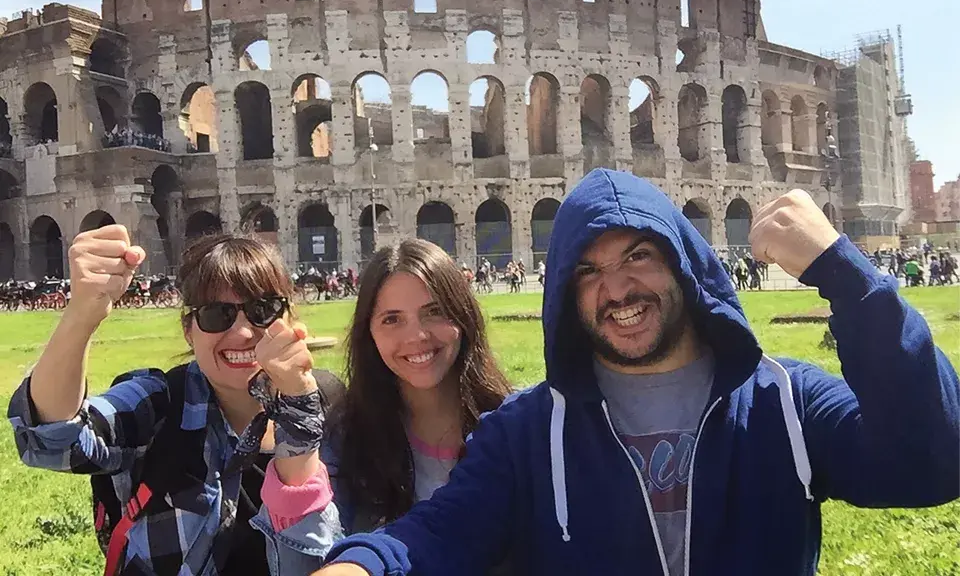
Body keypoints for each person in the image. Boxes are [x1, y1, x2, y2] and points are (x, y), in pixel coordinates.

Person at [313, 168, 959, 576]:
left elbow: (933, 463)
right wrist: (360, 567)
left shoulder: (785, 402)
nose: (617, 289)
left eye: (639, 256)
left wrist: (846, 277)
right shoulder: (526, 432)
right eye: (589, 271)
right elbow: (439, 534)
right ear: (566, 290)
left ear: (682, 263)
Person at [8, 226, 342, 575]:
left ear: (291, 318)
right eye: (218, 314)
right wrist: (81, 315)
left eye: (263, 309)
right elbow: (49, 439)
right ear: (189, 330)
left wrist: (298, 411)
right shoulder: (160, 403)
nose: (243, 333)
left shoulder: (330, 405)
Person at [322, 238, 513, 537]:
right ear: (368, 332)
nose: (417, 336)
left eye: (434, 311)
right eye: (392, 319)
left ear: (463, 317)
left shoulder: (516, 425)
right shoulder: (344, 437)